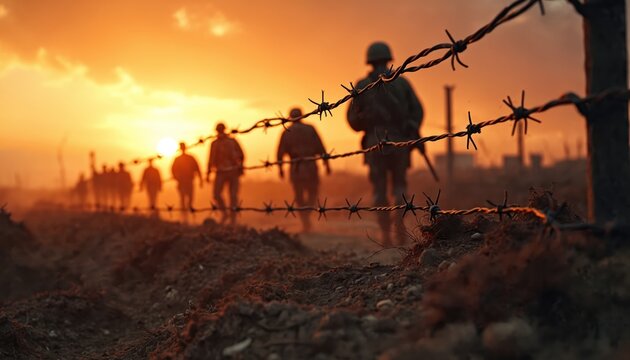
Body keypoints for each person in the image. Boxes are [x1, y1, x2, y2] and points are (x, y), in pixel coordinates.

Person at [346, 41, 424, 246]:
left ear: (369, 61)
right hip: (400, 142)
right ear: (389, 59)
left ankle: (386, 234)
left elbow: (353, 121)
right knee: (399, 186)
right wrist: (411, 125)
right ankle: (399, 227)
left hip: (375, 142)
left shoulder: (363, 85)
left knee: (379, 190)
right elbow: (418, 110)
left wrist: (368, 122)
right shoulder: (401, 82)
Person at [277, 107, 331, 232]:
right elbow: (321, 147)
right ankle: (306, 216)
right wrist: (326, 163)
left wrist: (280, 168)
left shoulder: (287, 131)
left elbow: (280, 152)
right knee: (312, 193)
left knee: (299, 195)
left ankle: (305, 218)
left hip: (296, 167)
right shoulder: (310, 129)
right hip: (310, 165)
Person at [206, 122, 244, 225]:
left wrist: (240, 167)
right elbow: (210, 159)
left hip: (232, 171)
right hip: (220, 172)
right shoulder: (214, 143)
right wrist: (208, 172)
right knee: (217, 194)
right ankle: (225, 213)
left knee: (233, 195)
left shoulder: (232, 141)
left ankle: (233, 218)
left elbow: (241, 154)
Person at [172, 142, 203, 212]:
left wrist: (201, 179)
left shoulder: (190, 158)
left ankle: (188, 209)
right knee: (183, 197)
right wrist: (176, 177)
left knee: (190, 196)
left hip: (189, 180)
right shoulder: (178, 159)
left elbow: (197, 168)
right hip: (182, 181)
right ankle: (184, 212)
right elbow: (173, 170)